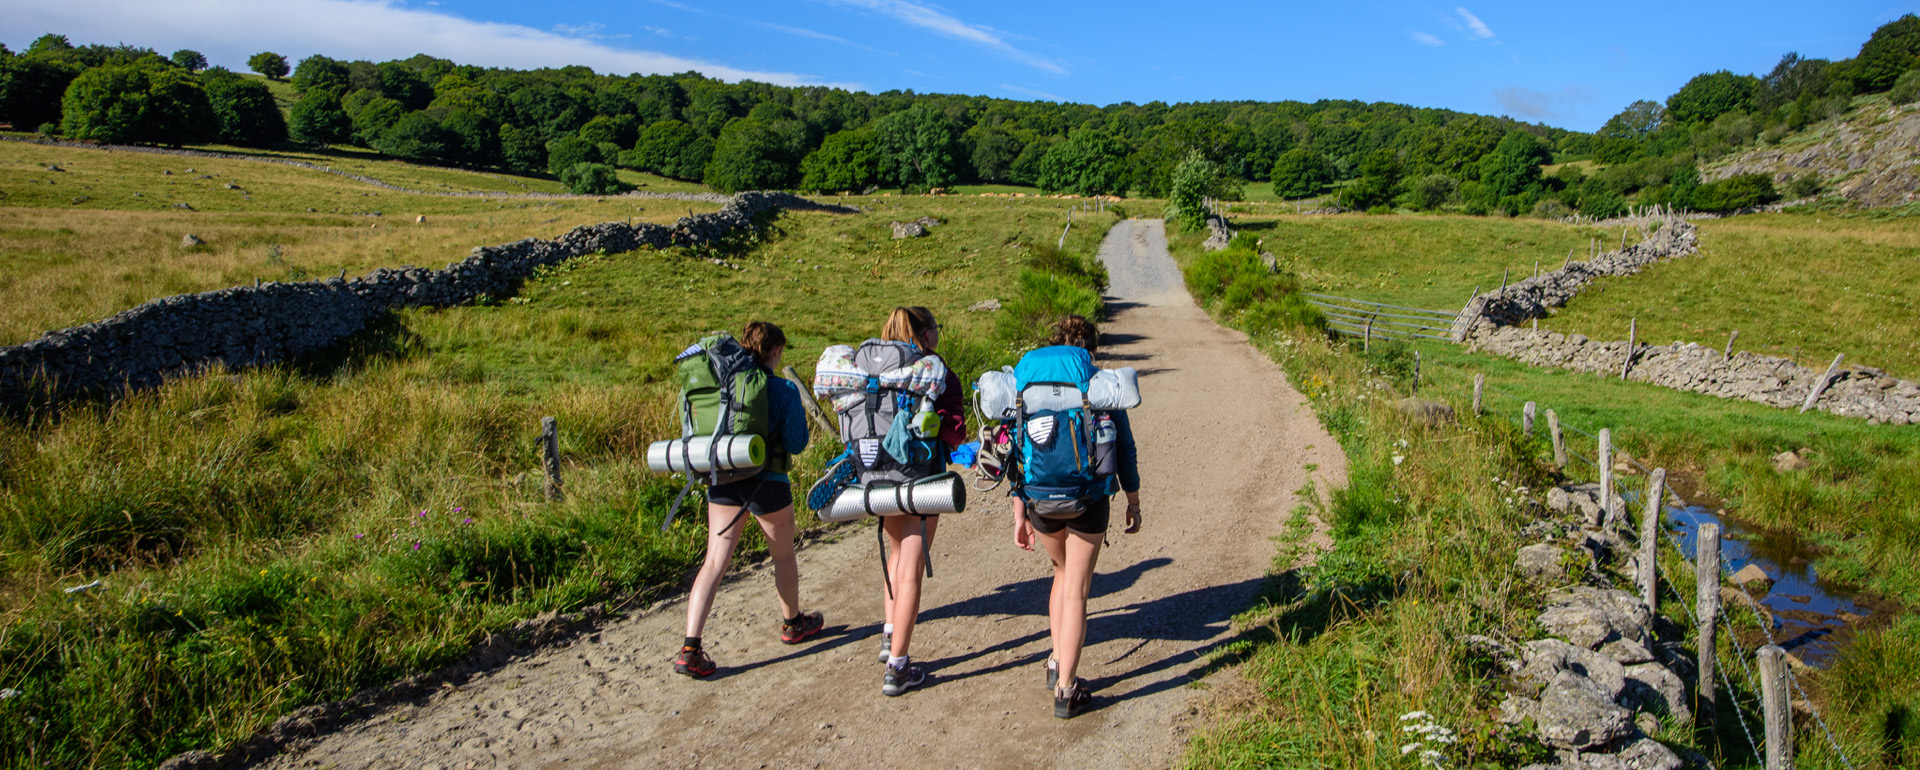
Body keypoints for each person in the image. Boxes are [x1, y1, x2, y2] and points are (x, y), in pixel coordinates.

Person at [674, 321, 825, 677]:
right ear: (774, 352)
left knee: (714, 562)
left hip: (722, 477)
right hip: (768, 482)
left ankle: (689, 648)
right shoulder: (783, 390)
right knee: (783, 557)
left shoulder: (722, 386)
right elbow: (797, 444)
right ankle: (792, 624)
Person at [1011, 315, 1141, 718]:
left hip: (1039, 500)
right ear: (1090, 351)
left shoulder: (1028, 388)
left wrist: (1020, 512)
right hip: (1088, 499)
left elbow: (1016, 451)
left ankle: (1054, 658)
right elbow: (1125, 453)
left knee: (1060, 575)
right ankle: (1067, 689)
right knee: (1077, 591)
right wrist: (1133, 502)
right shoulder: (1098, 385)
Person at [874, 306, 966, 696]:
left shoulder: (876, 366)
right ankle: (898, 666)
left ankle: (889, 632)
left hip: (875, 472)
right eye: (936, 328)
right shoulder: (934, 369)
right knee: (912, 559)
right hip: (920, 474)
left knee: (896, 555)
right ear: (926, 334)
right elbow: (955, 433)